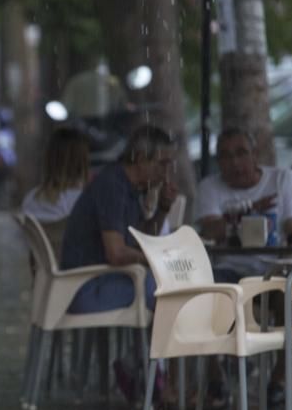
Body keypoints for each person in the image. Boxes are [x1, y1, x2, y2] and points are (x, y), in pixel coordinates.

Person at [60, 124, 177, 314]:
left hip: (102, 281)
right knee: (168, 288)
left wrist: (162, 209)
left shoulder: (129, 188)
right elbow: (116, 253)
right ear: (140, 160)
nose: (166, 173)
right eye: (162, 164)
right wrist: (157, 261)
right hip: (85, 288)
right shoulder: (112, 186)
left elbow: (140, 241)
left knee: (174, 282)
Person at [196, 127, 292, 281]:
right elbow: (210, 232)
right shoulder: (209, 186)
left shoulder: (283, 179)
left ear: (254, 155)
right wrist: (252, 208)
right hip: (228, 272)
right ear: (218, 161)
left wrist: (281, 271)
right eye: (225, 156)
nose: (234, 162)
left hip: (276, 269)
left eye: (241, 153)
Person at [21, 127, 90, 255]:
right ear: (83, 162)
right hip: (79, 271)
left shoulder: (30, 199)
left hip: (44, 271)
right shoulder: (83, 201)